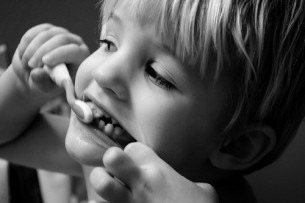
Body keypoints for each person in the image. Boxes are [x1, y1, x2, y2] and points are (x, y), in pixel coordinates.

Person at [1, 0, 305, 202]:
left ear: (235, 145)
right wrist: (22, 86)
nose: (105, 73)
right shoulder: (103, 158)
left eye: (158, 75)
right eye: (109, 43)